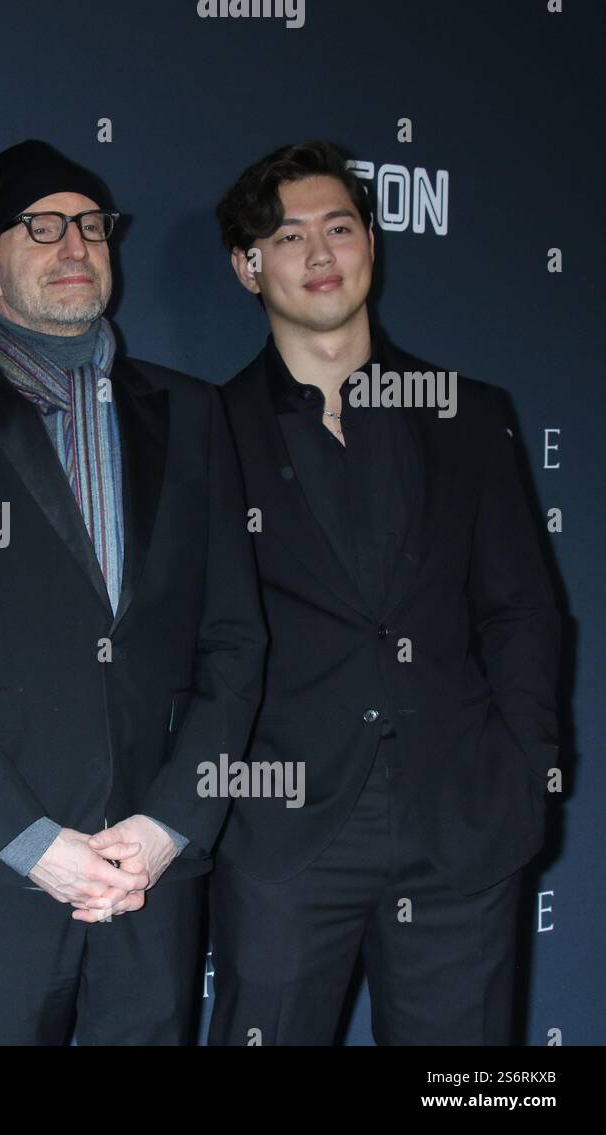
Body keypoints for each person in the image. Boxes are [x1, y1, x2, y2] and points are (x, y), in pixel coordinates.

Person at [0, 140, 266, 1044]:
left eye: (92, 226)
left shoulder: (195, 414)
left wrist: (172, 824)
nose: (74, 247)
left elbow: (236, 642)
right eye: (41, 228)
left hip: (153, 873)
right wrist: (26, 840)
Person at [210, 139, 560, 1045]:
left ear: (373, 241)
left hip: (463, 820)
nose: (321, 254)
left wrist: (525, 773)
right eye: (289, 236)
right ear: (248, 267)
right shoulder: (206, 431)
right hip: (284, 829)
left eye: (340, 226)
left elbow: (521, 609)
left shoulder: (470, 411)